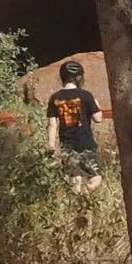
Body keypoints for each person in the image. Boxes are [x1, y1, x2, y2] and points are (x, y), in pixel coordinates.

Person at [45, 60, 102, 189]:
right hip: (85, 143)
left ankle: (76, 203)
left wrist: (51, 146)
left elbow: (52, 124)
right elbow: (98, 118)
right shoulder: (86, 96)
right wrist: (96, 103)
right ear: (80, 77)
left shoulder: (55, 98)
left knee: (74, 179)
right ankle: (87, 194)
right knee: (96, 177)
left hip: (67, 144)